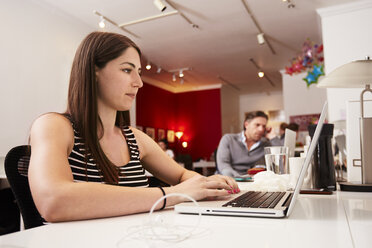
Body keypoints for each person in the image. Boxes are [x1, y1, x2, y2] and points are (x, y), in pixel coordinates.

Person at [28, 31, 239, 222]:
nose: (139, 82)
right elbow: (53, 201)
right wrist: (170, 195)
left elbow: (183, 176)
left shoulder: (135, 138)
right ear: (94, 71)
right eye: (127, 70)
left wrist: (205, 185)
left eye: (138, 71)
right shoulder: (54, 126)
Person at [216, 111, 270, 177]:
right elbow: (223, 165)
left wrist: (273, 137)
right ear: (246, 125)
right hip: (229, 179)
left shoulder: (266, 144)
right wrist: (239, 179)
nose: (261, 129)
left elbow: (281, 162)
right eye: (257, 125)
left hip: (252, 181)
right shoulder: (229, 139)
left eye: (264, 126)